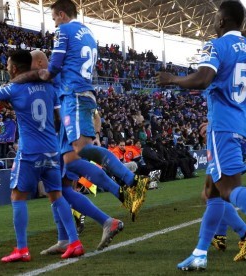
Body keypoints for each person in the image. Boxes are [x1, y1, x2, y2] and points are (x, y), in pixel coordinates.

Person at [157, 1, 246, 271]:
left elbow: (202, 79)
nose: (214, 23)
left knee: (228, 190)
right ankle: (200, 253)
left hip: (223, 125)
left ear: (222, 21)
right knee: (212, 191)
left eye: (215, 19)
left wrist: (172, 79)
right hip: (245, 127)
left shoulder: (216, 45)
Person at [13, 0, 149, 220]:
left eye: (55, 18)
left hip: (73, 96)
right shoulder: (87, 32)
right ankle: (121, 196)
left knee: (81, 150)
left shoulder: (64, 32)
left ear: (62, 14)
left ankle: (133, 181)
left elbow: (54, 66)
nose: (55, 24)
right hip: (80, 94)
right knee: (71, 161)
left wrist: (42, 75)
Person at [0, 50, 84, 262]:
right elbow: (59, 116)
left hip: (29, 152)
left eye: (7, 66)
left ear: (14, 68)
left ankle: (22, 249)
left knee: (17, 196)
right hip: (51, 148)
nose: (6, 69)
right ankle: (74, 242)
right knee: (56, 196)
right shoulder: (49, 87)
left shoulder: (14, 88)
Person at [30, 50, 124, 254]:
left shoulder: (52, 80)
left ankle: (105, 220)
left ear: (39, 62)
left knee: (59, 191)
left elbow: (61, 117)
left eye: (29, 64)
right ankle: (66, 237)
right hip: (66, 139)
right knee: (61, 190)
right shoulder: (63, 80)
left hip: (61, 142)